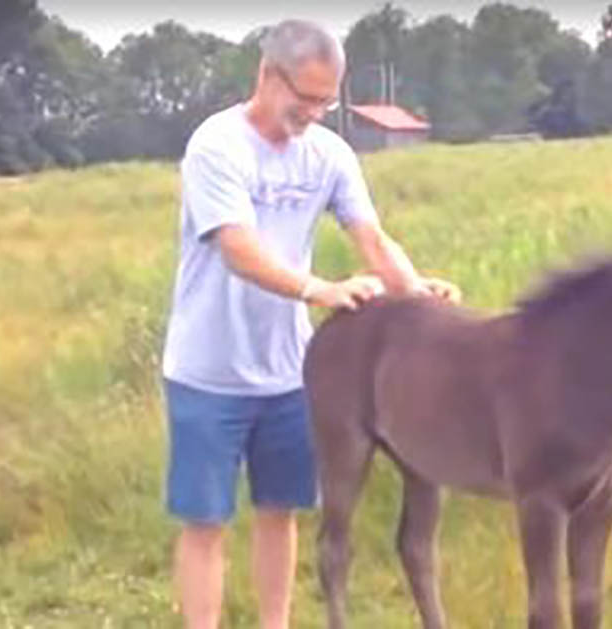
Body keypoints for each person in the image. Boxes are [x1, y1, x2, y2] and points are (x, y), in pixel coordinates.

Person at [160, 19, 459, 629]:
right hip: (207, 371)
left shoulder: (329, 155)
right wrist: (316, 289)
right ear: (268, 77)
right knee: (207, 521)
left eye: (328, 101)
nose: (316, 113)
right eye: (307, 99)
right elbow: (236, 247)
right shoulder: (216, 146)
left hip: (290, 373)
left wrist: (415, 294)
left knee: (282, 510)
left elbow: (370, 237)